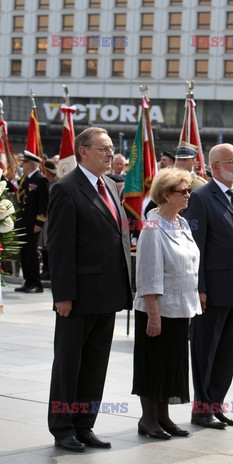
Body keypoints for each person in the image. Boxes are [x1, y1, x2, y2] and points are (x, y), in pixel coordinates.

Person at [47, 127, 132, 452]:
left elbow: (117, 236)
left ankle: (84, 424)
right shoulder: (66, 189)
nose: (110, 154)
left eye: (111, 149)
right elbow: (60, 247)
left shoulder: (110, 184)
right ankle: (63, 427)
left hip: (107, 292)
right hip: (78, 296)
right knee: (69, 365)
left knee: (96, 365)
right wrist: (63, 295)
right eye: (103, 149)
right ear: (83, 151)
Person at [184, 143, 233, 429]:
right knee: (205, 351)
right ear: (215, 167)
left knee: (228, 351)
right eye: (232, 160)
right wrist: (198, 287)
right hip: (211, 290)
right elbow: (194, 247)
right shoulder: (201, 198)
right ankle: (201, 410)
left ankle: (216, 404)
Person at [132, 167, 201, 440]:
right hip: (157, 309)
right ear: (165, 194)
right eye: (182, 191)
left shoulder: (182, 223)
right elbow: (148, 273)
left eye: (189, 191)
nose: (187, 195)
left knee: (171, 364)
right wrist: (153, 314)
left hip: (179, 306)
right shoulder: (152, 226)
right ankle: (148, 419)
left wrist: (190, 305)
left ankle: (163, 416)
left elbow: (189, 266)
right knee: (153, 364)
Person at [14, 150, 49, 293]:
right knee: (23, 252)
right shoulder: (25, 179)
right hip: (23, 221)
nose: (23, 164)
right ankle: (28, 281)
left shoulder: (41, 179)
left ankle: (36, 283)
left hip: (32, 223)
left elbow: (43, 204)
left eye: (25, 162)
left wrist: (39, 223)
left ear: (31, 164)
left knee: (31, 253)